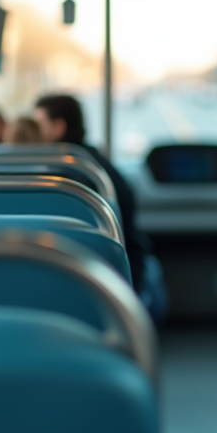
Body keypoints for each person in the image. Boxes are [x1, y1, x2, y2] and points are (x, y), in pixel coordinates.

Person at [33, 94, 161, 315]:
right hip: (119, 279)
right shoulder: (97, 168)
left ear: (58, 127)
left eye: (38, 125)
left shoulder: (61, 179)